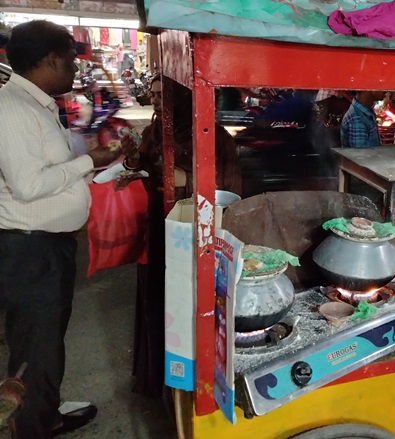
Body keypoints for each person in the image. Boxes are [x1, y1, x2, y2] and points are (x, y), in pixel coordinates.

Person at [0, 20, 119, 437]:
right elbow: (29, 185)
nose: (74, 69)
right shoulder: (12, 108)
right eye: (70, 60)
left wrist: (95, 173)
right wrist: (92, 161)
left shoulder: (38, 104)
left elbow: (53, 173)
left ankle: (42, 407)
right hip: (30, 248)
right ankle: (32, 424)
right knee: (36, 340)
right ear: (50, 59)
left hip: (47, 244)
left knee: (46, 337)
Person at [120, 74, 242, 397]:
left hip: (193, 237)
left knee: (190, 306)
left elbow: (228, 192)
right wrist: (133, 160)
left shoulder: (216, 139)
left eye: (163, 96)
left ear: (182, 101)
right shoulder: (156, 131)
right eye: (154, 94)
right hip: (157, 229)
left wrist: (186, 178)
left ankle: (192, 386)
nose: (156, 101)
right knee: (155, 301)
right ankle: (157, 381)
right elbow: (145, 168)